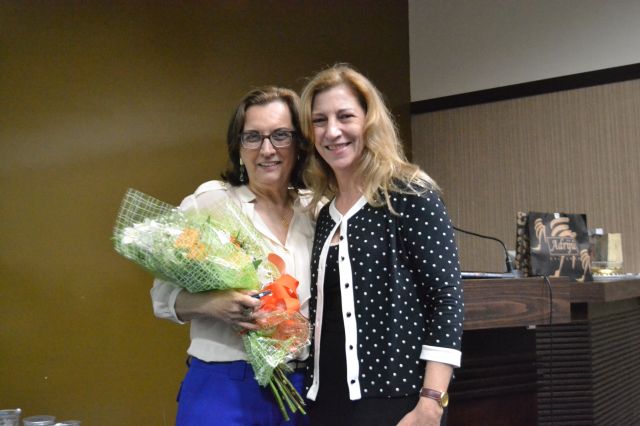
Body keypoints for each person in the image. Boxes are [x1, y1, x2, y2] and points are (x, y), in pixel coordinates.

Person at [299, 64, 464, 426]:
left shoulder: (409, 194)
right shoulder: (324, 213)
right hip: (326, 402)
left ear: (369, 121)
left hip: (398, 404)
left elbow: (446, 300)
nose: (332, 131)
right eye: (319, 121)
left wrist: (431, 403)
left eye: (345, 116)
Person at [151, 87, 314, 426]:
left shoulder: (317, 210)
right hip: (222, 388)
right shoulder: (211, 204)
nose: (266, 149)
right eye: (252, 137)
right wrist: (212, 305)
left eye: (280, 135)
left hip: (302, 389)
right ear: (238, 147)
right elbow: (161, 298)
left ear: (299, 144)